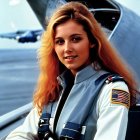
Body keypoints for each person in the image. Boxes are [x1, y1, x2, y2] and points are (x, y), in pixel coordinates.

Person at [6, 1, 138, 140]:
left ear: (92, 41)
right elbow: (20, 134)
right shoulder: (54, 89)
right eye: (60, 42)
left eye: (75, 39)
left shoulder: (113, 90)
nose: (67, 48)